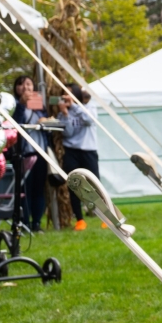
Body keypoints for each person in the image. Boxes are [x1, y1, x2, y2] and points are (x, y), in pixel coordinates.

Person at [57, 83, 101, 231]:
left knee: (95, 184)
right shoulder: (63, 112)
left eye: (69, 93)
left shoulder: (89, 107)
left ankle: (106, 217)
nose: (66, 97)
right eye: (64, 94)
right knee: (74, 184)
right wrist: (65, 114)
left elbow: (90, 121)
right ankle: (80, 220)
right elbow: (68, 133)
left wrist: (75, 106)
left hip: (89, 150)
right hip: (71, 151)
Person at [12, 76, 49, 232]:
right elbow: (14, 126)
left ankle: (37, 223)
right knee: (24, 189)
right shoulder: (13, 105)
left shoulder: (38, 105)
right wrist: (21, 105)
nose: (25, 87)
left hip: (40, 152)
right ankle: (25, 222)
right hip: (23, 154)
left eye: (28, 84)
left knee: (38, 189)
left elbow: (48, 128)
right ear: (16, 88)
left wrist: (44, 121)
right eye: (21, 84)